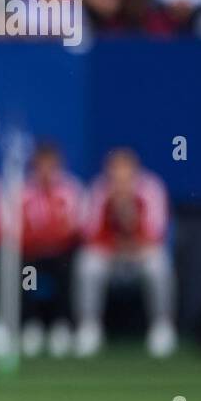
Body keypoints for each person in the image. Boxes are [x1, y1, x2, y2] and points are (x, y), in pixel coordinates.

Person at [75, 148, 176, 358]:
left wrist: (130, 218)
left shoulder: (151, 188)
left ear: (135, 171)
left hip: (140, 255)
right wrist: (113, 210)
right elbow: (89, 233)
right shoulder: (100, 189)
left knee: (158, 263)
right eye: (115, 172)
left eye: (125, 172)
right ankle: (89, 327)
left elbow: (156, 233)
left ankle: (162, 326)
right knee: (88, 263)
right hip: (110, 256)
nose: (120, 179)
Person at [19, 141, 82, 357]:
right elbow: (15, 227)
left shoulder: (71, 190)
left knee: (69, 266)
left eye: (50, 165)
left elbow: (77, 226)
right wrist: (39, 240)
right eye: (41, 165)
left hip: (61, 253)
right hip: (33, 255)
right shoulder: (22, 191)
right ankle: (31, 324)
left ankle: (62, 324)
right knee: (27, 272)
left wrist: (51, 238)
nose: (45, 171)